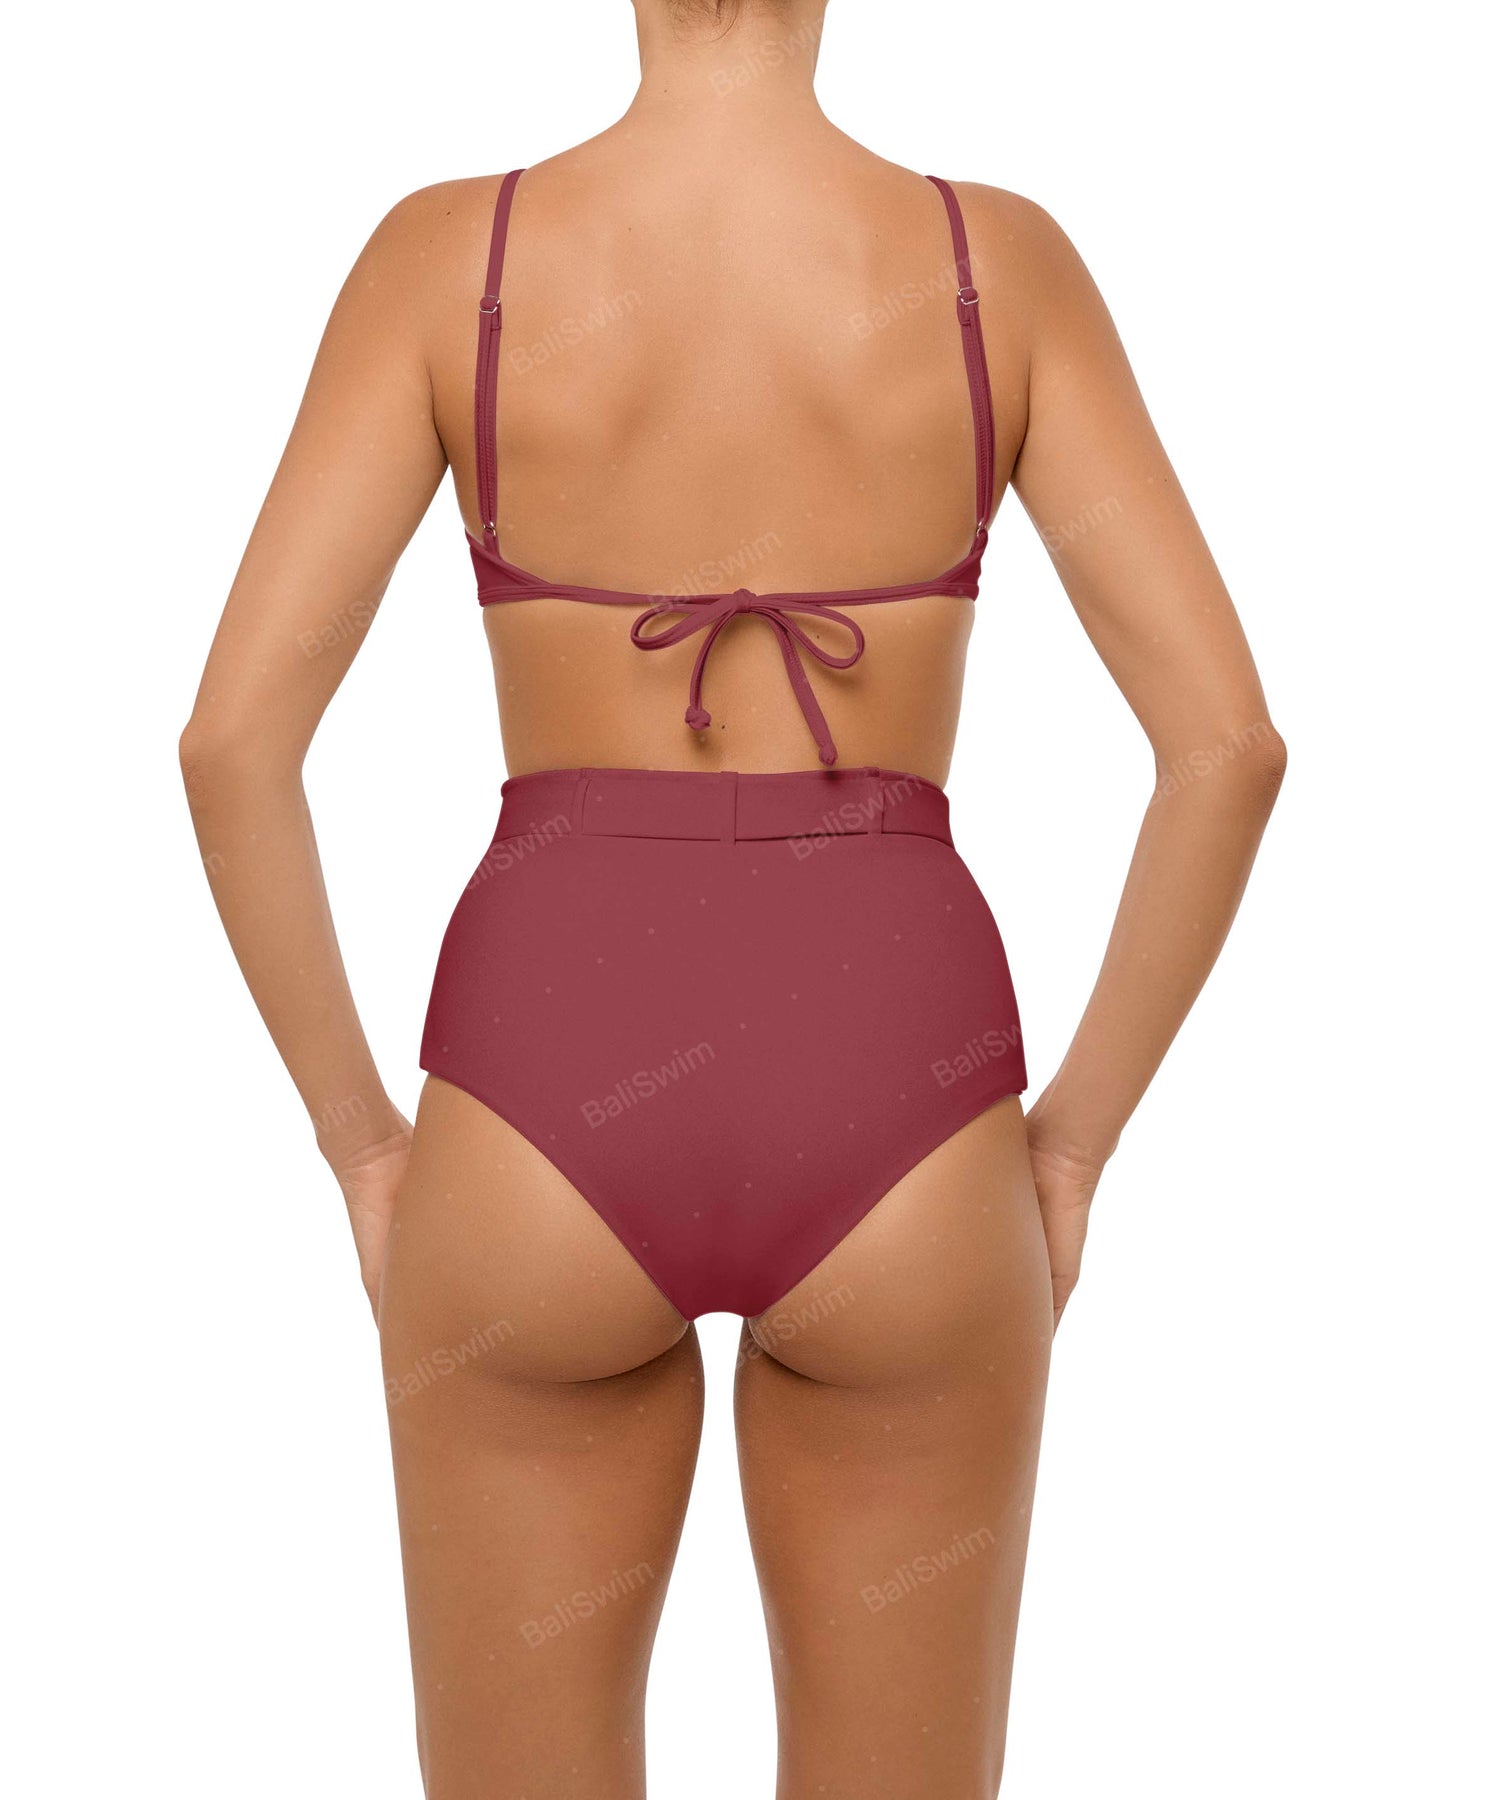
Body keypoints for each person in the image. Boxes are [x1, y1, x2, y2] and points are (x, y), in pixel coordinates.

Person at [180, 0, 1286, 1791]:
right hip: (905, 1083)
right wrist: (1070, 1154)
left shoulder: (454, 258)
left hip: (538, 1086)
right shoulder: (991, 266)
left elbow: (234, 744)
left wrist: (364, 1150)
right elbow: (1227, 748)